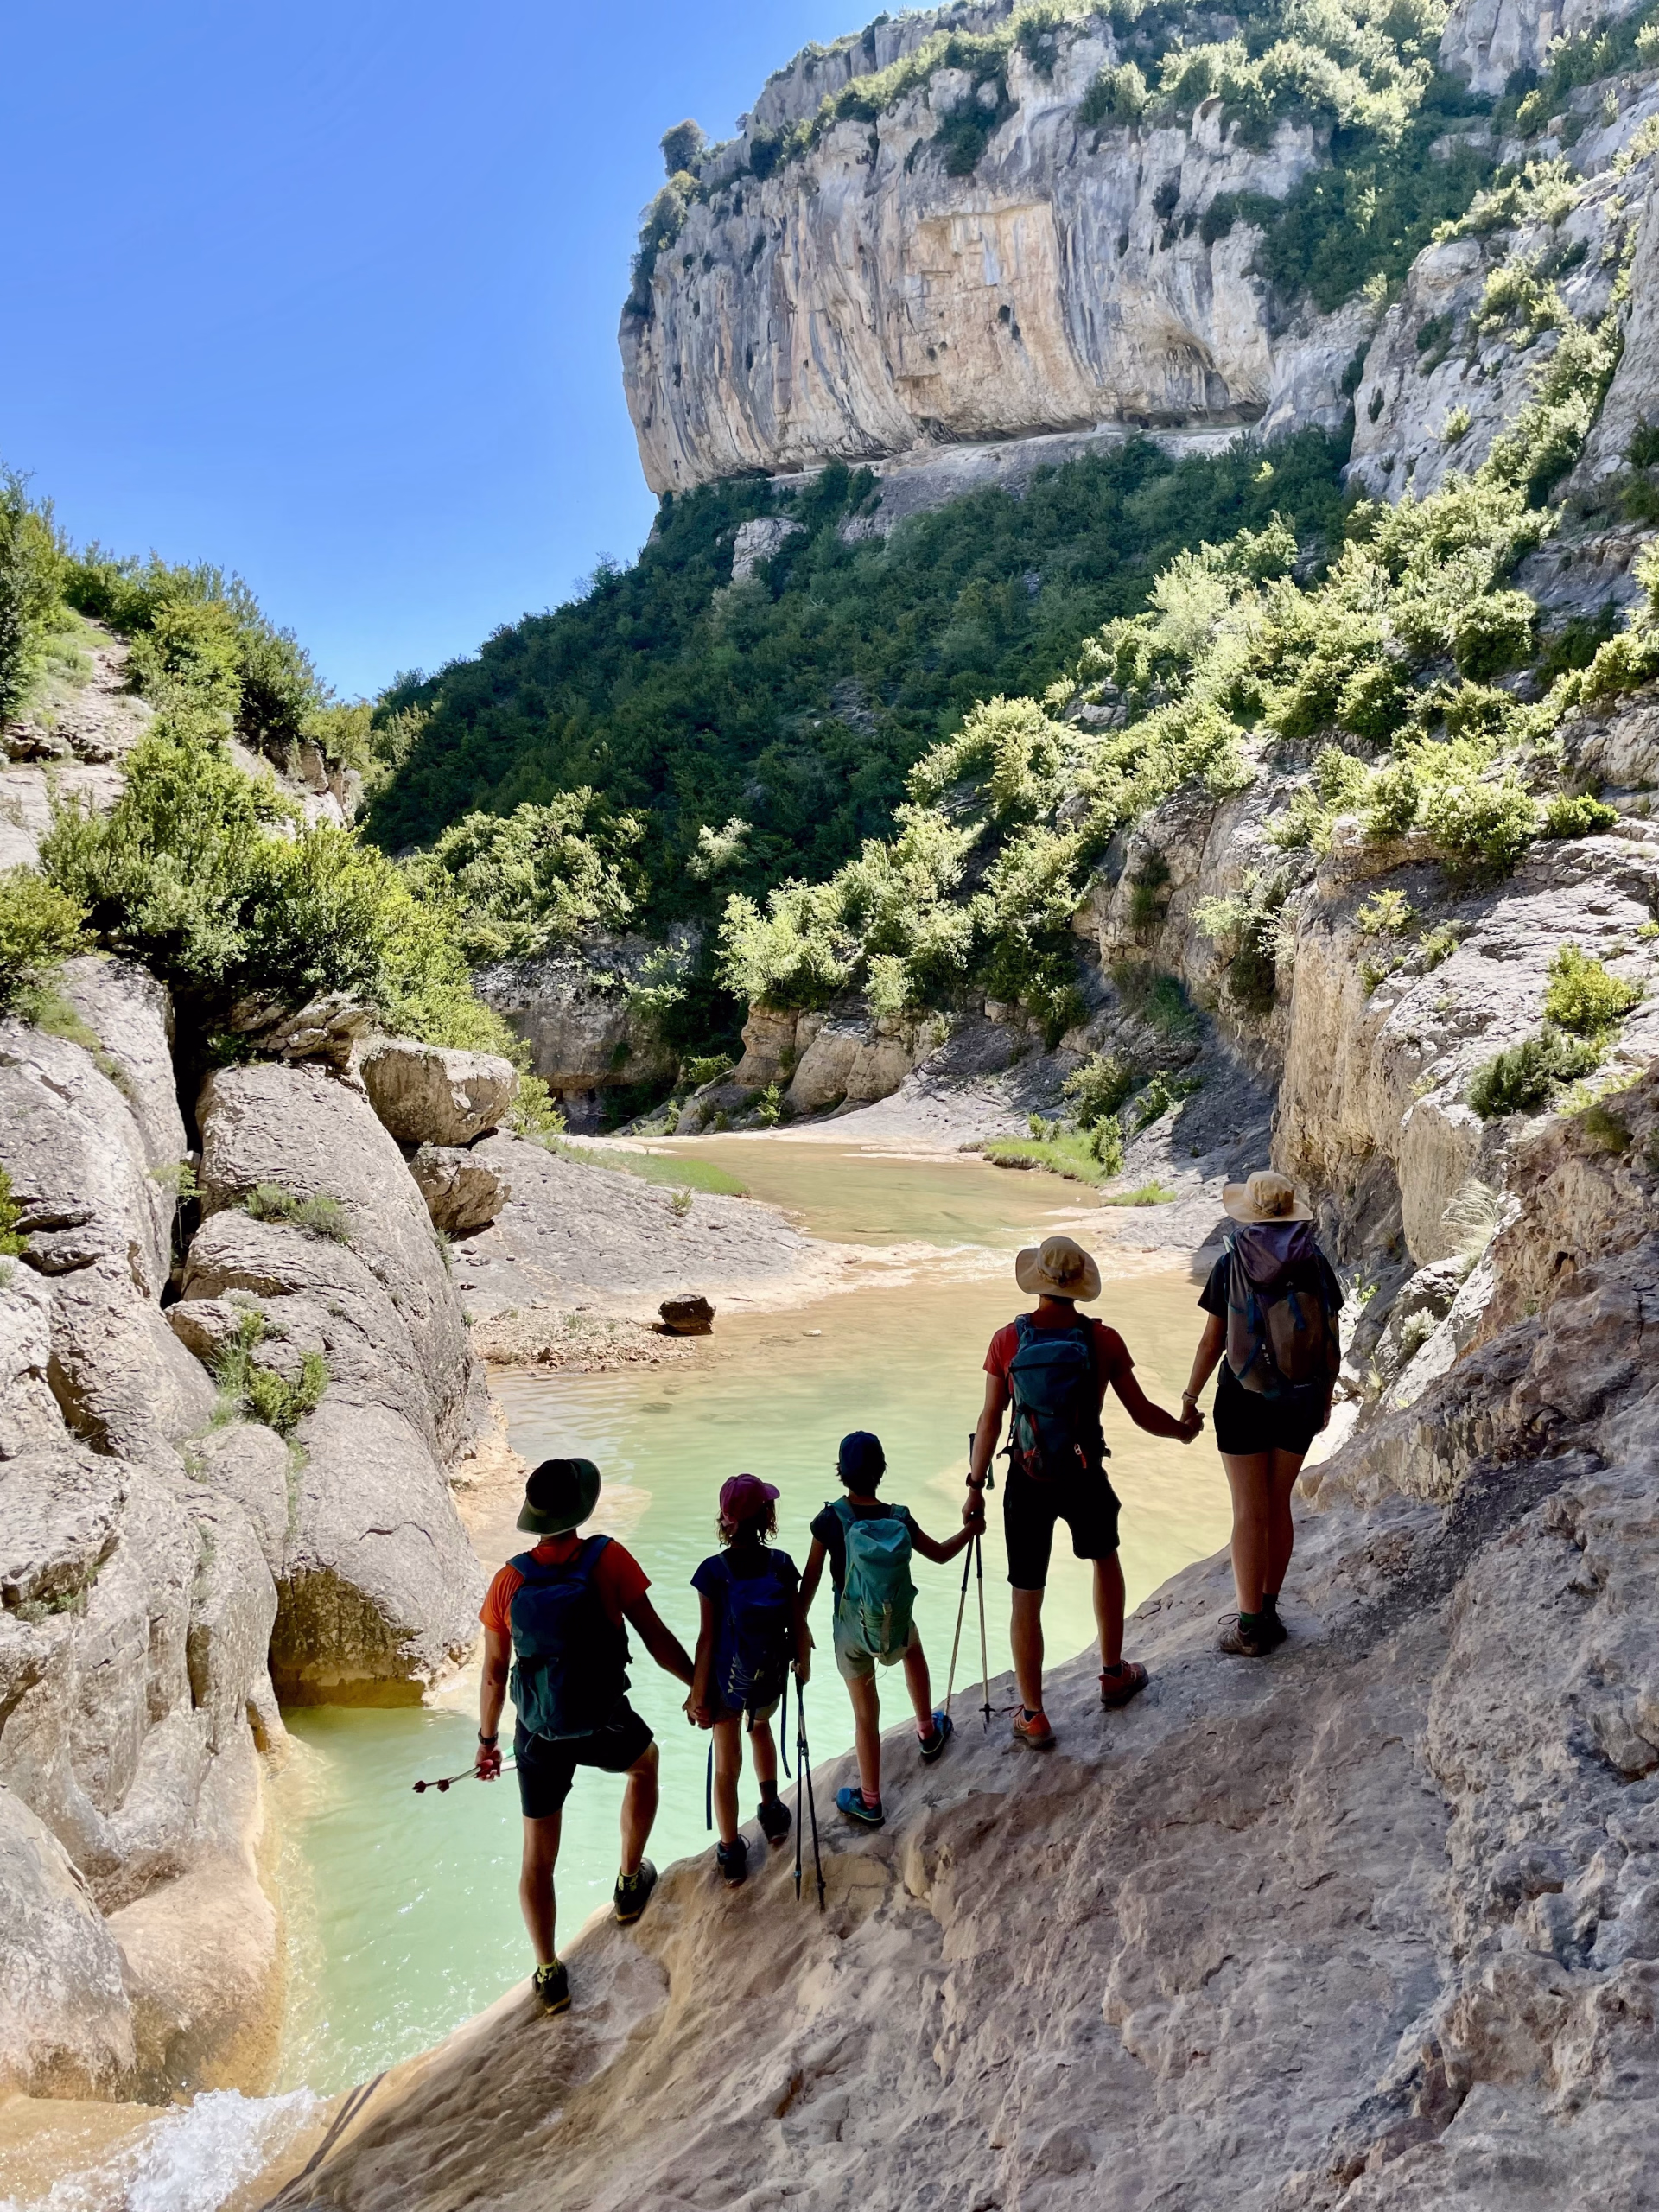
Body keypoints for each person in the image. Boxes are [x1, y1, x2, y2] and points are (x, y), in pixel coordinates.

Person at [475, 1456, 696, 2015]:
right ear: (581, 1510)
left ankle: (549, 1973)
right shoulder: (608, 1559)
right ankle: (627, 1885)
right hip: (600, 1716)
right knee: (645, 1762)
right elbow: (655, 1637)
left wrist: (486, 1739)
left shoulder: (508, 1581)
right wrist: (700, 1685)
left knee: (537, 1857)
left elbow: (495, 1672)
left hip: (537, 1733)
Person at [965, 1234, 1199, 1750]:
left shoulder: (1007, 1341)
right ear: (1080, 1287)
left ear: (1039, 1283)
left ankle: (1033, 1714)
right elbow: (1141, 1413)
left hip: (1027, 1480)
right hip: (1084, 1470)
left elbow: (989, 1419)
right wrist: (1183, 1430)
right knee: (1105, 1561)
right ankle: (1114, 1674)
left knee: (1027, 1592)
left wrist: (975, 1484)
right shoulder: (1103, 1340)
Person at [1179, 1170, 1344, 1657]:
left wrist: (1189, 1398)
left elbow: (1213, 1341)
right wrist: (1326, 1395)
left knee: (1249, 1510)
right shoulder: (1315, 1261)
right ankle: (1269, 1611)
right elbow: (1331, 1336)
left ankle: (1249, 1629)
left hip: (1242, 1395)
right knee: (1278, 1502)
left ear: (1249, 1212)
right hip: (1301, 1395)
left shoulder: (1232, 1262)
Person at [798, 1431, 983, 1829]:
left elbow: (809, 1582)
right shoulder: (898, 1517)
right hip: (893, 1624)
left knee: (866, 1715)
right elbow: (939, 1554)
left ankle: (869, 1800)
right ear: (881, 1471)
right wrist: (970, 1531)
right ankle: (928, 1732)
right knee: (912, 1648)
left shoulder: (829, 1520)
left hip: (851, 1633)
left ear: (841, 1473)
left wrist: (797, 1628)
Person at [685, 1472, 810, 1888]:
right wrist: (802, 1662)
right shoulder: (781, 1564)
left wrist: (696, 1693)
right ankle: (772, 1812)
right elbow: (796, 1620)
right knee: (761, 1732)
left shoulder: (711, 1572)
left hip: (725, 1683)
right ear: (767, 1517)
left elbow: (706, 1639)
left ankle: (731, 1850)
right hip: (767, 1677)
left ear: (726, 1521)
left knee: (726, 1768)